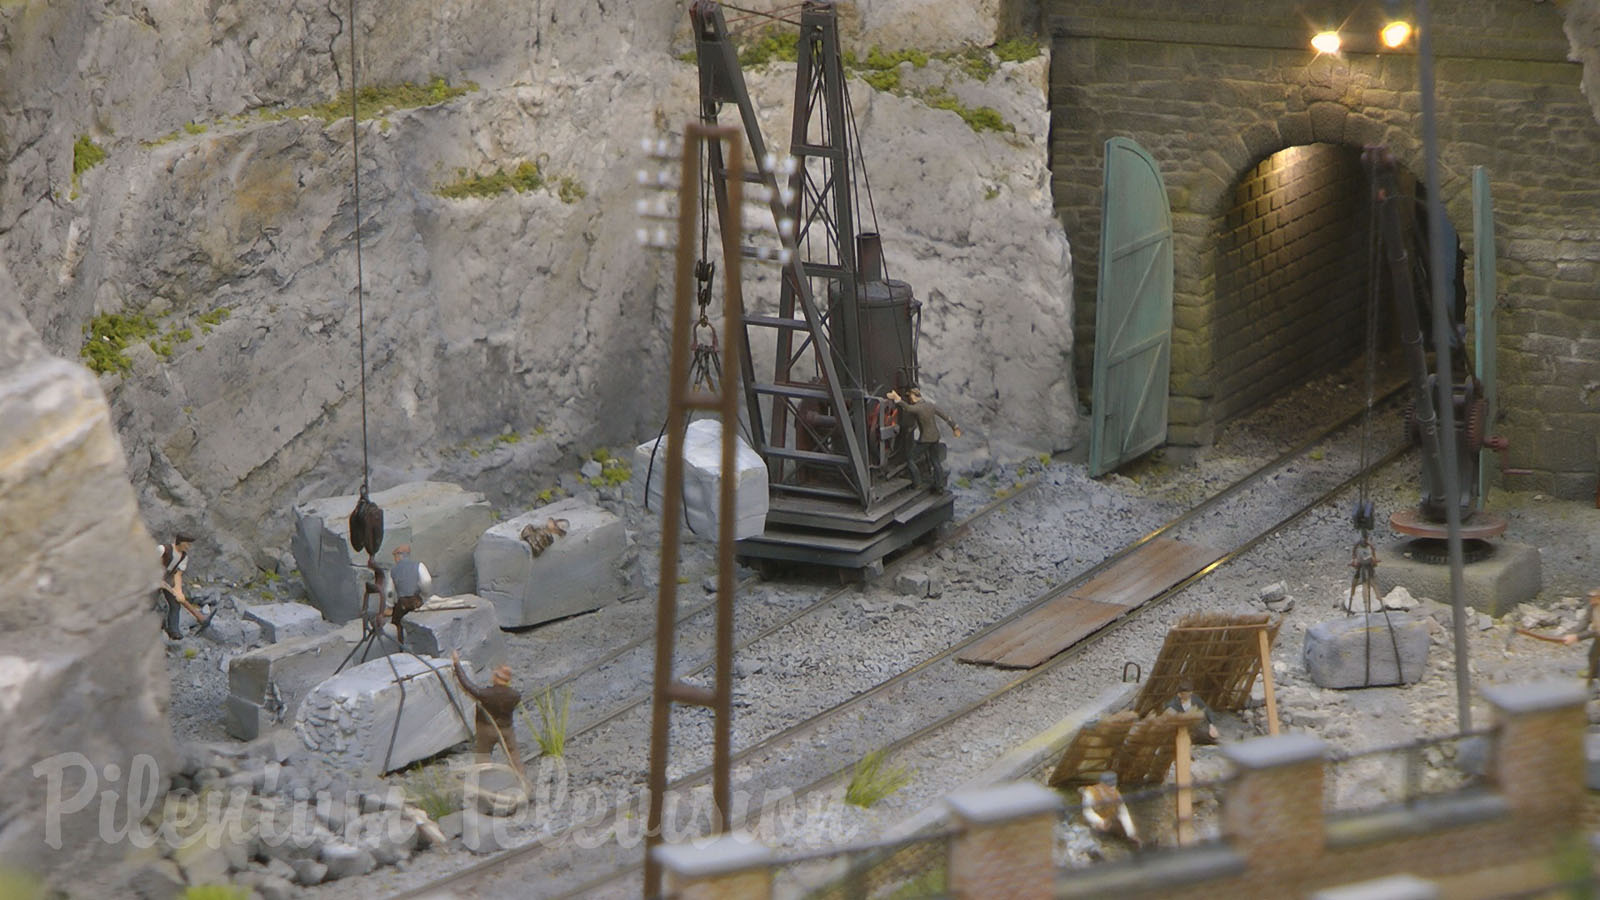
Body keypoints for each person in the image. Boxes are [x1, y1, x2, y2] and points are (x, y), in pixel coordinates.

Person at [451, 650, 525, 778]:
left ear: (496, 677)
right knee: (514, 758)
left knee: (483, 759)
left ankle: (484, 787)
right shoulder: (515, 695)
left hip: (486, 730)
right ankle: (524, 785)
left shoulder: (486, 694)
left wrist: (457, 664)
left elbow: (467, 685)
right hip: (507, 730)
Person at [884, 387, 961, 492]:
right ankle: (939, 486)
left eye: (910, 397)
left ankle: (917, 483)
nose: (910, 399)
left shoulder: (918, 408)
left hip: (926, 439)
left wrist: (896, 398)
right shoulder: (930, 405)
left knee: (910, 459)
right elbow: (945, 416)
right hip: (935, 437)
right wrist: (955, 427)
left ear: (914, 397)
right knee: (936, 461)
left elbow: (907, 408)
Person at [156, 533, 213, 639]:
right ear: (180, 542)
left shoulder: (183, 557)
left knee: (176, 604)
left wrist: (178, 590)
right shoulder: (162, 549)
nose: (188, 547)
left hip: (168, 578)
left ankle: (173, 631)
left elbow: (177, 574)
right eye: (187, 544)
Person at [1080, 771, 1140, 847]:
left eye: (1113, 785)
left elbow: (1123, 813)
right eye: (1109, 786)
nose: (1112, 788)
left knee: (1122, 834)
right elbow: (1087, 811)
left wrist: (1131, 832)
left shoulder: (1116, 794)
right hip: (1093, 823)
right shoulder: (1091, 792)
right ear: (1102, 785)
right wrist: (1099, 821)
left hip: (1109, 822)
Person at [388, 544, 432, 647]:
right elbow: (426, 581)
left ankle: (401, 646)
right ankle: (422, 646)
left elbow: (389, 590)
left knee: (398, 625)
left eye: (395, 555)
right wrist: (424, 594)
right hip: (416, 601)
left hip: (402, 602)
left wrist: (389, 606)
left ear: (399, 555)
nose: (394, 558)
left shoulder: (393, 570)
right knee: (421, 623)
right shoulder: (419, 565)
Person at [1561, 589, 1600, 686]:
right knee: (1592, 655)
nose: (1590, 601)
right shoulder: (1592, 607)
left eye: (1593, 598)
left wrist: (1577, 637)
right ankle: (1593, 673)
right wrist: (1571, 633)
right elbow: (1584, 622)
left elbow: (1596, 632)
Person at [1167, 678, 1221, 744]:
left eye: (1189, 694)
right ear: (1179, 694)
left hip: (1194, 728)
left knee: (1211, 737)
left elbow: (1206, 709)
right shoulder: (1173, 703)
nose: (1188, 696)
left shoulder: (1195, 699)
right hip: (1179, 729)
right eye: (1185, 694)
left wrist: (1211, 725)